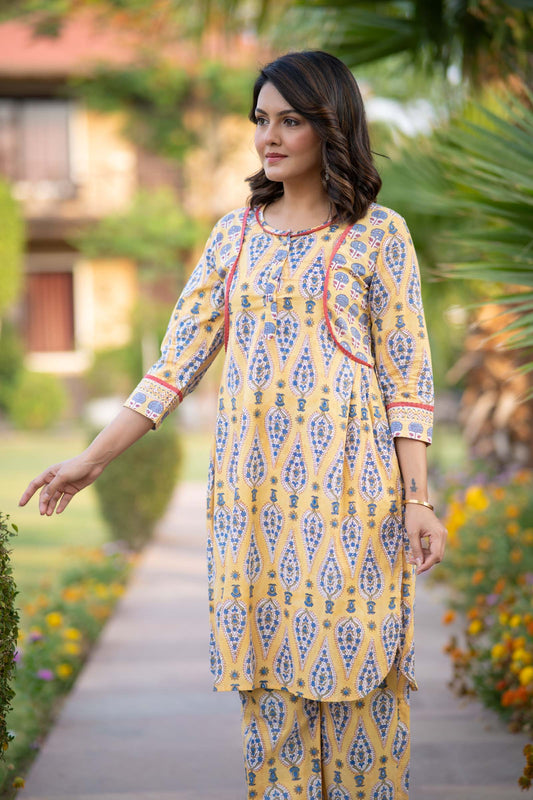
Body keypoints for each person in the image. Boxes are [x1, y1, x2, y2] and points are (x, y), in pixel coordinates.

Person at [20, 50, 447, 800]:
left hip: (353, 505)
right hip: (255, 510)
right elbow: (173, 367)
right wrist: (91, 460)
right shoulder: (233, 237)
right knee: (272, 718)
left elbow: (405, 383)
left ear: (331, 127)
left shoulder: (379, 235)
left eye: (290, 121)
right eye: (260, 120)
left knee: (363, 714)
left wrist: (417, 501)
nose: (267, 137)